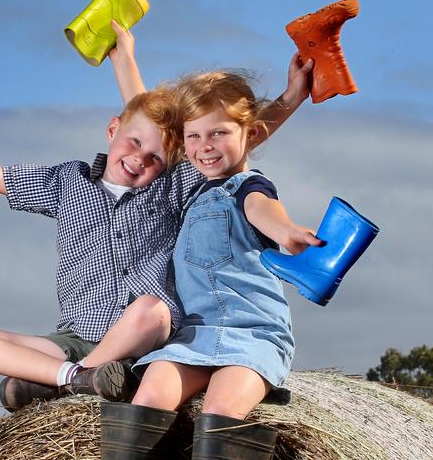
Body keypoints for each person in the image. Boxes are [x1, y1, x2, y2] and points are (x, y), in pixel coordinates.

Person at [0, 22, 311, 412]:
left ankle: (61, 383)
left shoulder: (170, 186)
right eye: (133, 143)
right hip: (75, 337)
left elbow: (223, 137)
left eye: (157, 156)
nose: (141, 158)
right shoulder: (66, 183)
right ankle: (74, 380)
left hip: (139, 332)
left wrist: (291, 98)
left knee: (154, 310)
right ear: (112, 130)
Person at [100, 65, 320, 458]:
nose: (204, 145)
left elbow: (263, 209)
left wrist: (286, 231)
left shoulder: (250, 187)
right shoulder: (191, 189)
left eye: (217, 134)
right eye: (193, 137)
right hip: (193, 337)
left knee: (219, 410)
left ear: (249, 135)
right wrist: (124, 57)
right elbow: (154, 113)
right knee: (147, 396)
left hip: (253, 337)